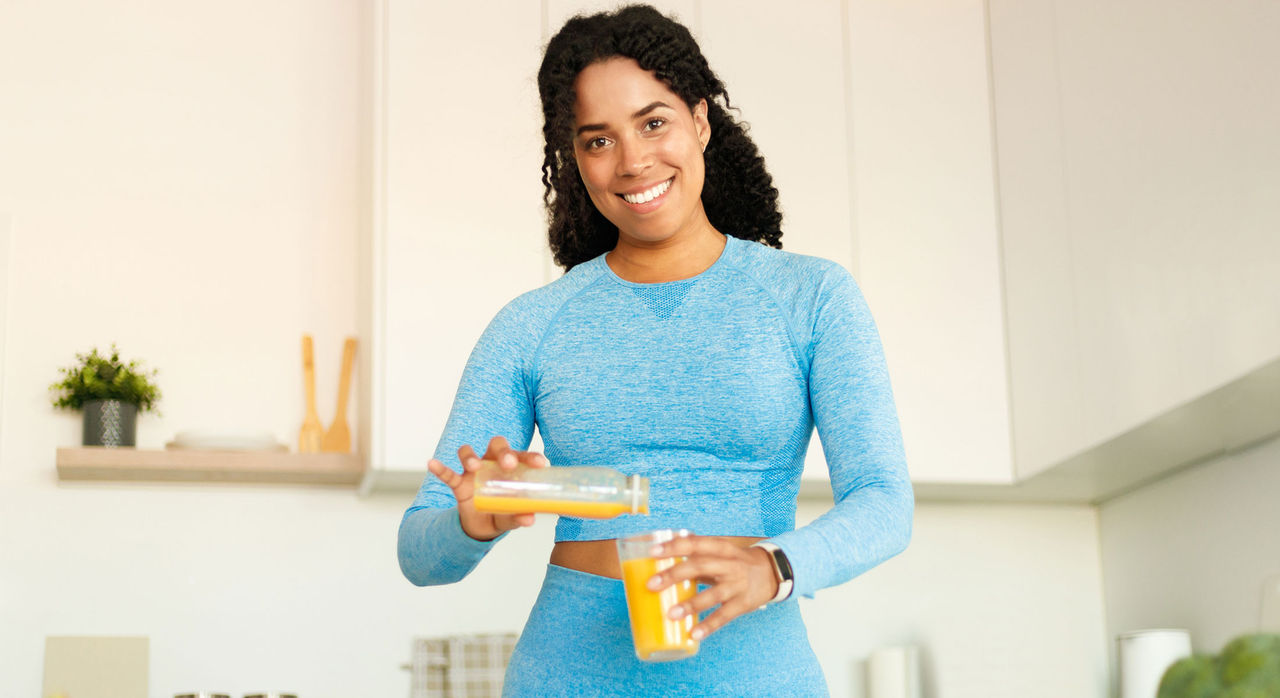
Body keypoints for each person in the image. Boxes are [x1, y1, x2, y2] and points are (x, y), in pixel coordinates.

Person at [398, 5, 912, 695]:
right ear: (573, 159)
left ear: (700, 120)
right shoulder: (532, 325)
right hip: (568, 675)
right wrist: (474, 519)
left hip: (757, 677)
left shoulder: (810, 297)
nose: (634, 160)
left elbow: (884, 503)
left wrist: (774, 567)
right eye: (598, 140)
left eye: (654, 122)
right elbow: (419, 552)